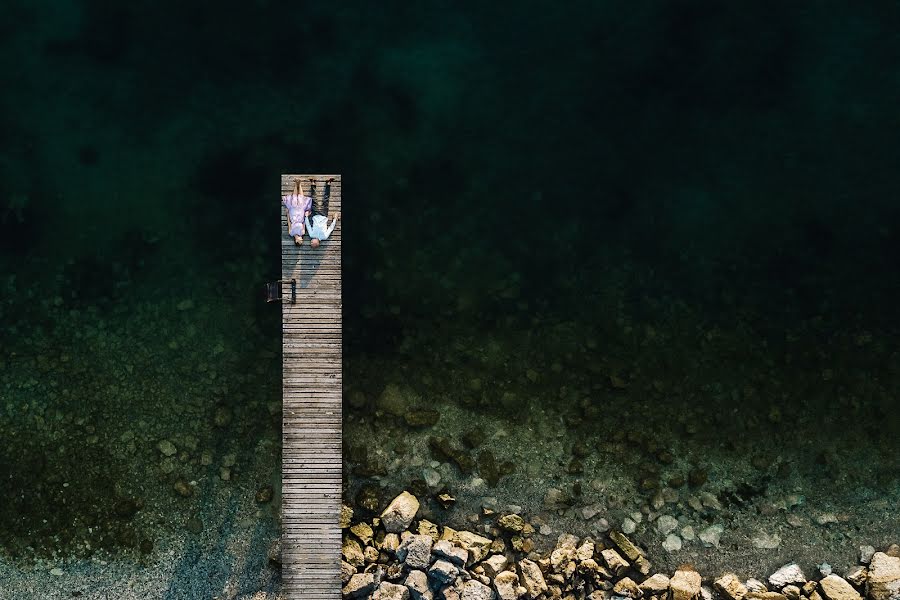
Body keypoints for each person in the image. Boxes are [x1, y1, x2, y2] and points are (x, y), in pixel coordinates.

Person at [305, 177, 340, 248]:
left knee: (314, 199)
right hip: (324, 215)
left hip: (315, 215)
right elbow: (331, 228)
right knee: (326, 200)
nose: (310, 242)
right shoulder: (324, 237)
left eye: (310, 243)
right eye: (312, 243)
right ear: (316, 243)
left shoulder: (312, 235)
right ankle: (328, 184)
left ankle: (313, 183)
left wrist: (306, 217)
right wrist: (335, 219)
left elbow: (308, 226)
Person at [282, 179, 313, 246]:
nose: (302, 239)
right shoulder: (303, 232)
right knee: (301, 199)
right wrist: (306, 215)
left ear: (296, 241)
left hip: (293, 215)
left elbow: (289, 222)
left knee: (294, 200)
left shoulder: (291, 233)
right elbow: (304, 222)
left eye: (300, 241)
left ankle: (296, 184)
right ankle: (300, 184)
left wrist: (287, 213)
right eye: (302, 240)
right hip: (301, 216)